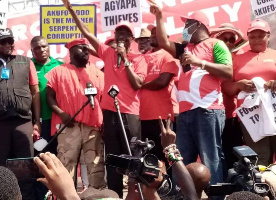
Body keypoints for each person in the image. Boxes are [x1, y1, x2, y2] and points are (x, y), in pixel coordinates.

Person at [61, 0, 147, 197]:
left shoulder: (139, 59)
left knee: (134, 157)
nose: (122, 37)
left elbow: (137, 84)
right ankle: (114, 194)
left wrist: (125, 58)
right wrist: (71, 10)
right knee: (113, 157)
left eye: (126, 34)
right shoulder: (107, 52)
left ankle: (136, 194)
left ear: (132, 38)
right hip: (109, 111)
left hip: (130, 113)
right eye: (119, 34)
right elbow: (86, 34)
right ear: (114, 37)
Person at [149, 1, 233, 188]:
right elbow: (163, 42)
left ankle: (216, 195)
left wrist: (200, 62)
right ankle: (181, 194)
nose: (184, 28)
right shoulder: (184, 49)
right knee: (182, 158)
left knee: (210, 156)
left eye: (187, 24)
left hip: (208, 110)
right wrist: (159, 16)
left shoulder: (216, 45)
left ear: (199, 25)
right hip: (186, 113)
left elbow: (228, 71)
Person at [0, 28, 40, 199]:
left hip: (23, 122)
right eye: (2, 41)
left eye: (10, 41)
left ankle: (25, 197)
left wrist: (37, 121)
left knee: (25, 167)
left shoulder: (26, 62)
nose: (7, 45)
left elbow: (35, 93)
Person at [45, 38, 105, 189]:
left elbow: (104, 101)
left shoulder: (98, 74)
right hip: (69, 126)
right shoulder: (57, 72)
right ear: (71, 51)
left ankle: (96, 196)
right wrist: (62, 114)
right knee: (66, 164)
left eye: (87, 48)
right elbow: (49, 97)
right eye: (81, 48)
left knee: (96, 165)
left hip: (93, 128)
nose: (86, 51)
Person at [222, 19, 276, 166]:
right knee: (260, 156)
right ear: (248, 38)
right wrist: (238, 85)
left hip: (274, 111)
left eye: (261, 36)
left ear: (268, 36)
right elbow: (225, 86)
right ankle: (263, 188)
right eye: (252, 37)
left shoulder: (274, 54)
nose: (257, 40)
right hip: (251, 116)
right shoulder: (237, 60)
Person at [140, 24, 178, 179]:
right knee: (149, 160)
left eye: (157, 34)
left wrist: (140, 85)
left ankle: (171, 190)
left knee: (167, 156)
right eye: (152, 34)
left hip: (162, 116)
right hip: (142, 116)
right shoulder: (142, 57)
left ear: (166, 37)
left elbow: (162, 82)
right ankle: (152, 191)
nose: (153, 36)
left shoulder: (168, 56)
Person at [211, 23, 246, 170]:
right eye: (224, 39)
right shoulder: (207, 57)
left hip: (232, 114)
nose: (228, 42)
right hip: (210, 113)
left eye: (232, 39)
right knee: (215, 154)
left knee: (233, 154)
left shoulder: (239, 58)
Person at [31, 36, 63, 151]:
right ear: (32, 51)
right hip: (39, 121)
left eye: (44, 46)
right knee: (41, 153)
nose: (42, 50)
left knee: (59, 153)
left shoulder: (60, 65)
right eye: (37, 48)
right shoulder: (28, 66)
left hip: (58, 118)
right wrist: (36, 120)